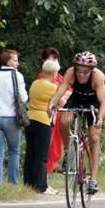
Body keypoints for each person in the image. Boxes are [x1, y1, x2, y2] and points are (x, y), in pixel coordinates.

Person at [48, 51, 105, 194]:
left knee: (94, 138)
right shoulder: (70, 72)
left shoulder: (97, 77)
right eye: (79, 70)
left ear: (91, 70)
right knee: (63, 121)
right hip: (76, 98)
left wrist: (100, 118)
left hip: (94, 102)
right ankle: (70, 151)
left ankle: (93, 180)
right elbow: (60, 90)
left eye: (85, 72)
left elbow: (104, 102)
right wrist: (52, 104)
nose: (81, 75)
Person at [0, 49, 28, 185]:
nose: (17, 63)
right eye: (15, 60)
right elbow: (24, 98)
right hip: (11, 118)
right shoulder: (18, 76)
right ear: (8, 61)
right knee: (14, 151)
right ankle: (12, 183)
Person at [24, 57, 62, 194]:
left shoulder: (35, 83)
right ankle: (41, 186)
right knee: (42, 155)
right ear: (54, 73)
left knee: (30, 154)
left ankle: (28, 183)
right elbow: (62, 101)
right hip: (43, 121)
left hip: (30, 119)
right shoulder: (52, 87)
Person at [35, 47, 67, 175]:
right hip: (48, 115)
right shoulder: (42, 77)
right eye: (50, 58)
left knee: (57, 145)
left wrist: (63, 95)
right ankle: (45, 173)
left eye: (55, 58)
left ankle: (50, 170)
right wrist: (63, 96)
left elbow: (69, 91)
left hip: (60, 115)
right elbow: (58, 96)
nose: (52, 60)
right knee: (49, 144)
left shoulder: (60, 77)